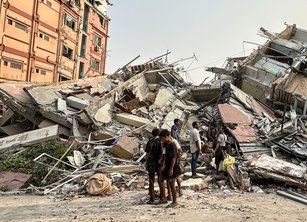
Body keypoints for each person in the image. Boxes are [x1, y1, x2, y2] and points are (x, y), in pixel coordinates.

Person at [159, 129, 181, 207]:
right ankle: (164, 198)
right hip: (167, 166)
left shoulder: (172, 144)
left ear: (166, 137)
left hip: (172, 166)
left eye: (162, 139)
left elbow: (173, 158)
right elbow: (164, 156)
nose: (161, 140)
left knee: (172, 184)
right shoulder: (166, 144)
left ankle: (175, 201)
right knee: (161, 180)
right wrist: (163, 165)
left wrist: (171, 169)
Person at [145, 128, 164, 204]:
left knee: (151, 181)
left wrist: (146, 163)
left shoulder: (149, 142)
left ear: (152, 134)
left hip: (151, 163)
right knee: (161, 180)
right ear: (159, 134)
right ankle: (162, 197)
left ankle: (152, 199)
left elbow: (147, 154)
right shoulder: (161, 142)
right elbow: (162, 153)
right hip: (159, 163)